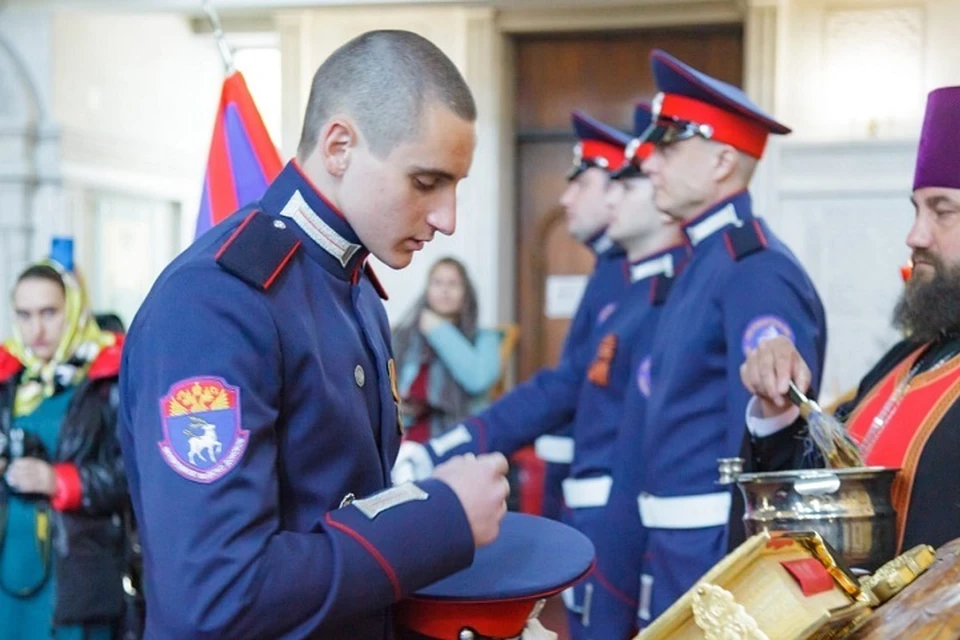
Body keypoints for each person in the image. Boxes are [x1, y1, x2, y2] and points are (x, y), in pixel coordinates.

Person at [118, 30, 512, 639]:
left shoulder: (355, 289)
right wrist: (441, 519)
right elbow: (217, 594)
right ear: (339, 146)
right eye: (426, 182)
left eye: (454, 186)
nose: (446, 218)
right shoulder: (218, 301)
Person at [396, 105, 687, 640]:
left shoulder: (665, 280)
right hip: (592, 500)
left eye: (591, 183)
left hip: (640, 516)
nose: (567, 198)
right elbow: (570, 385)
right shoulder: (619, 275)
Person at [624, 49, 827, 625]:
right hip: (671, 549)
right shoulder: (701, 263)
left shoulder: (753, 267)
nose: (648, 163)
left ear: (720, 162)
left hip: (711, 559)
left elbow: (765, 455)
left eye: (667, 147)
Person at [741, 85, 960, 554]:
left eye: (942, 212)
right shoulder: (908, 357)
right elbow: (817, 488)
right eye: (916, 210)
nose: (914, 235)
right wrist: (777, 408)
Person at [0, 253, 127, 639]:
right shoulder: (11, 379)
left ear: (73, 308)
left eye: (49, 313)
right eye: (24, 315)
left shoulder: (108, 378)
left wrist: (61, 482)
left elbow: (134, 475)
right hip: (11, 563)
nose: (35, 329)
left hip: (77, 569)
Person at [392, 257, 502, 443]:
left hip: (461, 437)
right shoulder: (405, 338)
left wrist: (438, 329)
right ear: (427, 290)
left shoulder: (485, 338)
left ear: (466, 292)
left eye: (453, 283)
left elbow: (478, 379)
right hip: (407, 435)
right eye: (437, 282)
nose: (445, 290)